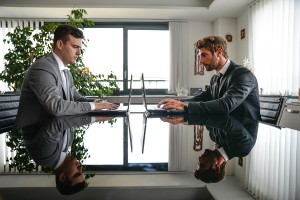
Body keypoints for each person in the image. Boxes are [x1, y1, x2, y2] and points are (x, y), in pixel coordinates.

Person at [15, 24, 119, 128]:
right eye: (75, 47)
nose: (79, 53)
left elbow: (76, 98)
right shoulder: (42, 68)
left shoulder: (66, 72)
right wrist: (94, 106)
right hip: (38, 136)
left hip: (57, 130)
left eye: (80, 48)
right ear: (60, 44)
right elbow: (56, 107)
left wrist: (96, 102)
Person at [158, 36, 261, 120]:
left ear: (219, 52)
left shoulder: (243, 75)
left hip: (244, 135)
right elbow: (202, 98)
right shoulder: (215, 78)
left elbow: (226, 105)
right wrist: (178, 103)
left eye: (204, 55)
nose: (201, 61)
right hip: (226, 129)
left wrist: (185, 106)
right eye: (200, 56)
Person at [22, 115, 113, 195]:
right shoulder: (67, 145)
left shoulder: (45, 157)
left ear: (62, 177)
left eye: (77, 174)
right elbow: (70, 113)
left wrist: (94, 118)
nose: (80, 168)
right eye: (81, 172)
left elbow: (58, 121)